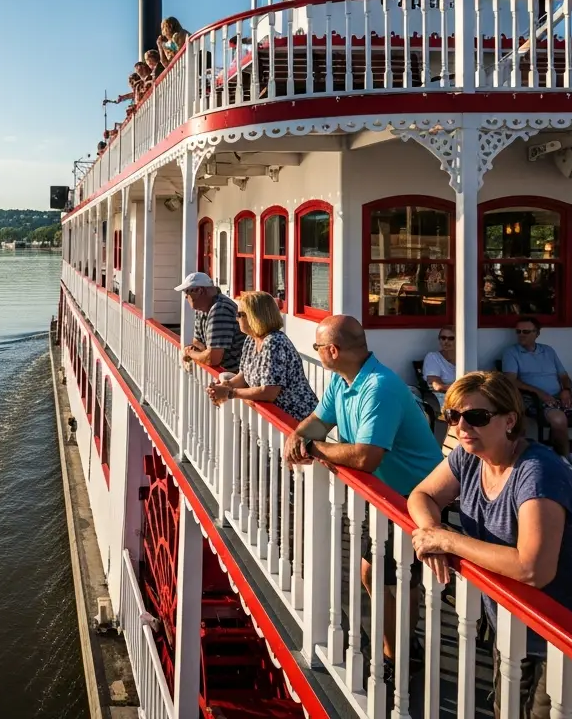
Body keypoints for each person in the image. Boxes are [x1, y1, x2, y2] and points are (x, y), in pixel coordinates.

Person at [409, 372, 572, 719]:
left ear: (510, 420)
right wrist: (431, 529)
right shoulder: (471, 454)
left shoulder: (537, 473)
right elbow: (423, 494)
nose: (462, 426)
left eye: (477, 417)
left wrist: (447, 539)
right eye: (454, 416)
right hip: (516, 625)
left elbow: (534, 569)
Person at [286, 315, 443, 669]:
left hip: (412, 496)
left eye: (317, 347)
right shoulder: (344, 380)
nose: (316, 353)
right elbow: (319, 421)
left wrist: (312, 450)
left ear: (332, 350)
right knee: (394, 576)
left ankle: (393, 656)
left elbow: (365, 456)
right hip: (385, 493)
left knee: (383, 575)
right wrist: (299, 434)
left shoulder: (379, 387)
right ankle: (402, 639)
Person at [502, 317, 572, 480]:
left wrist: (566, 390)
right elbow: (511, 380)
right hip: (535, 401)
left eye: (526, 331)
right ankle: (565, 461)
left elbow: (564, 376)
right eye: (518, 332)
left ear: (537, 333)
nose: (521, 335)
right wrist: (540, 393)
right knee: (559, 420)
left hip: (560, 397)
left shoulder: (548, 350)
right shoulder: (512, 352)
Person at [207, 290, 318, 422]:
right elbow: (244, 375)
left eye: (239, 314)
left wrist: (230, 393)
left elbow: (269, 392)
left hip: (297, 420)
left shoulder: (274, 342)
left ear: (255, 316)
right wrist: (225, 386)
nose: (236, 319)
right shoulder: (251, 339)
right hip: (278, 418)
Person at [175, 271, 246, 374]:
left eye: (187, 292)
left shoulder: (220, 309)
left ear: (199, 291)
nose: (186, 297)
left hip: (233, 377)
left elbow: (212, 358)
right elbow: (197, 342)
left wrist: (189, 352)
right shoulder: (203, 309)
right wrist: (200, 351)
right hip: (222, 376)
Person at [421, 326, 457, 406]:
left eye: (451, 338)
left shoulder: (464, 358)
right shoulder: (433, 357)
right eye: (443, 338)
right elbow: (437, 386)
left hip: (462, 396)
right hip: (443, 399)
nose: (446, 341)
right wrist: (460, 389)